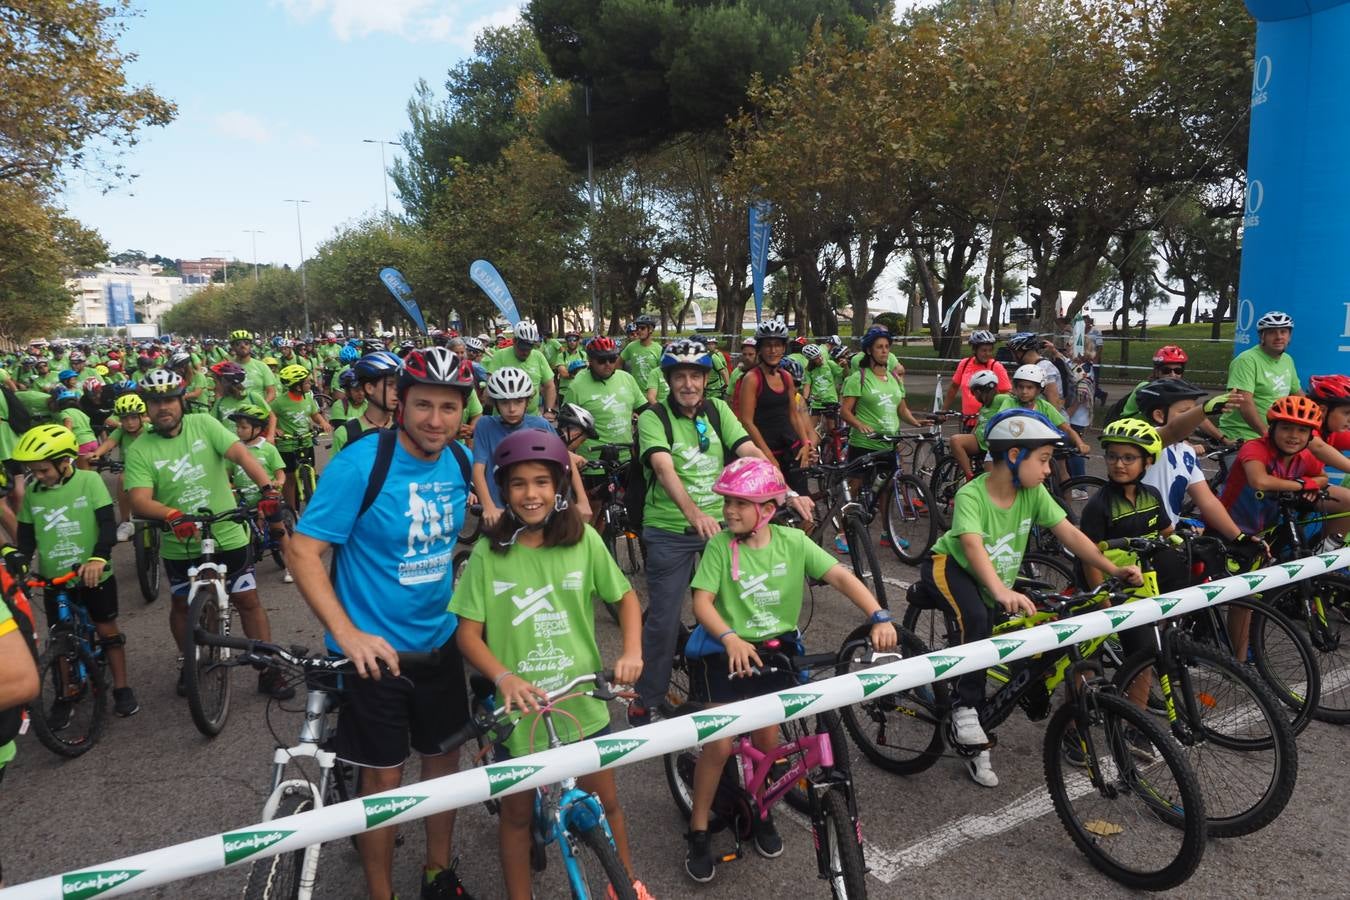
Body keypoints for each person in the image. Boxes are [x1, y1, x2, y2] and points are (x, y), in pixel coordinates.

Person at [288, 347, 477, 900]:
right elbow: (303, 552)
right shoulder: (361, 463)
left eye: (448, 407)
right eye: (423, 405)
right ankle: (381, 892)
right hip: (374, 655)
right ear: (400, 401)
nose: (435, 420)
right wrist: (346, 633)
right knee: (385, 783)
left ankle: (437, 873)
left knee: (443, 767)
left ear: (463, 410)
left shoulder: (459, 460)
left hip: (439, 644)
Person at [452, 430, 650, 900]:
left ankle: (624, 885)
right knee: (518, 818)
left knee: (607, 804)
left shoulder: (582, 541)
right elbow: (466, 635)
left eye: (542, 482)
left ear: (559, 486)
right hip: (519, 713)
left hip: (582, 702)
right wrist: (503, 677)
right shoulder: (488, 552)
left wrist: (631, 651)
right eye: (518, 484)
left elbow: (625, 599)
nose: (531, 494)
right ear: (503, 489)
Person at [681, 457, 897, 882]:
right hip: (721, 649)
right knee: (720, 745)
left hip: (775, 649)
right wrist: (729, 637)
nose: (729, 511)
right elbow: (702, 603)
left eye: (741, 503)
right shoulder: (720, 547)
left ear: (767, 509)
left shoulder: (793, 543)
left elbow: (839, 576)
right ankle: (699, 827)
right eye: (727, 502)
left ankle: (760, 809)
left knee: (767, 741)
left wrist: (879, 615)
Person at [920, 409, 1142, 787]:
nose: (1048, 470)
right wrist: (1000, 590)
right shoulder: (972, 493)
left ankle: (983, 726)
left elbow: (1069, 535)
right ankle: (964, 708)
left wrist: (1110, 568)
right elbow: (972, 547)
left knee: (1041, 615)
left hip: (995, 576)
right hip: (952, 566)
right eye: (1042, 460)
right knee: (975, 620)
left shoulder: (1034, 492)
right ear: (1012, 456)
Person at [124, 369, 293, 701]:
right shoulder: (141, 449)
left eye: (169, 399)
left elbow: (242, 455)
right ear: (148, 407)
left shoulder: (204, 424)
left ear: (181, 400)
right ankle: (191, 659)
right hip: (180, 539)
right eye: (155, 402)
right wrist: (171, 515)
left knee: (247, 600)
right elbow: (140, 499)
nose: (163, 408)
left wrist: (266, 489)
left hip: (227, 532)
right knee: (181, 605)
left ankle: (269, 668)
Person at [11, 424, 139, 718]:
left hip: (93, 573)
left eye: (43, 470)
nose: (38, 476)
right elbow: (27, 537)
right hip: (55, 578)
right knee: (59, 637)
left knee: (107, 631)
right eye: (33, 470)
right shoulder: (33, 493)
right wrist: (20, 565)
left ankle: (121, 687)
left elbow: (107, 525)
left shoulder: (89, 482)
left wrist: (98, 557)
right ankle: (66, 693)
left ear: (65, 460)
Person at [1220, 395, 1350, 543]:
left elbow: (1322, 477)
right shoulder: (1254, 447)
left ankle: (1327, 551)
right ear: (1272, 428)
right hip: (1228, 527)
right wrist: (1301, 485)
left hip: (1265, 529)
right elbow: (1259, 481)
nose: (1294, 436)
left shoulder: (1304, 455)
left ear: (1310, 436)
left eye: (1302, 430)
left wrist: (1310, 483)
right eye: (1286, 428)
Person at [735, 319, 817, 494]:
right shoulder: (752, 378)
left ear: (784, 348)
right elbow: (747, 421)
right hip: (765, 447)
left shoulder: (786, 376)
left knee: (804, 504)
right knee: (771, 504)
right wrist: (769, 458)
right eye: (768, 345)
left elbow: (793, 414)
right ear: (760, 349)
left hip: (790, 445)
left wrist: (805, 443)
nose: (773, 350)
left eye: (778, 345)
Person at [473, 367, 555, 529]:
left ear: (527, 401)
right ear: (495, 402)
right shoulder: (485, 425)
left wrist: (580, 500)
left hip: (535, 508)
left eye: (518, 401)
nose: (511, 409)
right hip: (499, 511)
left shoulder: (541, 425)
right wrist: (488, 506)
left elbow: (562, 459)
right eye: (504, 402)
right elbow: (478, 469)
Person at [565, 335, 647, 497]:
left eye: (612, 359)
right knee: (596, 511)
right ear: (590, 360)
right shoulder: (576, 386)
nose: (608, 364)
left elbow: (645, 409)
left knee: (630, 509)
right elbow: (567, 427)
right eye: (602, 360)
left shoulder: (627, 379)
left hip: (626, 457)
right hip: (593, 461)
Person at [226, 405, 294, 583]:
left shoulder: (268, 449)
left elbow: (280, 474)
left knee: (278, 531)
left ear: (257, 429)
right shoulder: (233, 450)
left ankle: (290, 565)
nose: (239, 431)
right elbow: (227, 476)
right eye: (237, 427)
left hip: (266, 498)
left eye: (244, 427)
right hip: (243, 499)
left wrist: (278, 483)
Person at [1220, 311, 1300, 441]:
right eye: (1272, 332)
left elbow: (1298, 393)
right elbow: (1244, 402)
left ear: (1289, 336)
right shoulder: (1247, 360)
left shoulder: (1287, 360)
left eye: (1283, 332)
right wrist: (1266, 434)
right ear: (1262, 336)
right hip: (1243, 435)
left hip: (1276, 434)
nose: (1279, 337)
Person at [272, 364, 332, 512]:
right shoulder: (280, 402)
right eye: (306, 382)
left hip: (306, 441)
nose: (309, 384)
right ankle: (292, 511)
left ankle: (312, 499)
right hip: (287, 445)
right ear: (297, 386)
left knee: (311, 471)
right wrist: (275, 429)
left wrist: (323, 422)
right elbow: (270, 416)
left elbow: (315, 414)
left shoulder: (308, 399)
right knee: (290, 479)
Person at [90, 393, 148, 540]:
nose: (129, 423)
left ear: (142, 416)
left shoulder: (151, 430)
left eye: (134, 417)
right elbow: (109, 442)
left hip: (153, 470)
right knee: (122, 479)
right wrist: (97, 453)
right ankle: (125, 522)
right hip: (131, 471)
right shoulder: (121, 431)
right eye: (124, 418)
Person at [331, 351, 402, 454]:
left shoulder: (403, 431)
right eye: (390, 384)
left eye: (398, 384)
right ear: (369, 388)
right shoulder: (345, 434)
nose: (397, 391)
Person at [484, 321, 557, 418]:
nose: (525, 353)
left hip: (531, 417)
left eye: (528, 349)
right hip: (504, 418)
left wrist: (549, 410)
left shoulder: (538, 356)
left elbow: (550, 386)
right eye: (522, 349)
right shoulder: (500, 355)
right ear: (514, 341)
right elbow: (489, 388)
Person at [943, 331, 1011, 426]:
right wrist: (943, 410)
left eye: (990, 350)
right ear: (974, 350)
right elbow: (954, 387)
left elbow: (1007, 395)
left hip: (988, 421)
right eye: (984, 350)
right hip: (967, 419)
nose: (987, 353)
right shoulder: (964, 364)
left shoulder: (996, 367)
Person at [620, 314, 664, 404]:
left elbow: (662, 373)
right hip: (637, 396)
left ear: (651, 329)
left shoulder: (658, 349)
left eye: (642, 328)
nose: (639, 331)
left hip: (653, 396)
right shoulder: (631, 347)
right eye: (637, 328)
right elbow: (618, 364)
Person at [228, 329, 279, 405]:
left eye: (246, 343)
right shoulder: (227, 367)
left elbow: (271, 392)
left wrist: (262, 407)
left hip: (258, 411)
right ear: (232, 347)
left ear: (251, 346)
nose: (243, 346)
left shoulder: (262, 366)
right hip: (235, 411)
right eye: (238, 344)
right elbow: (220, 393)